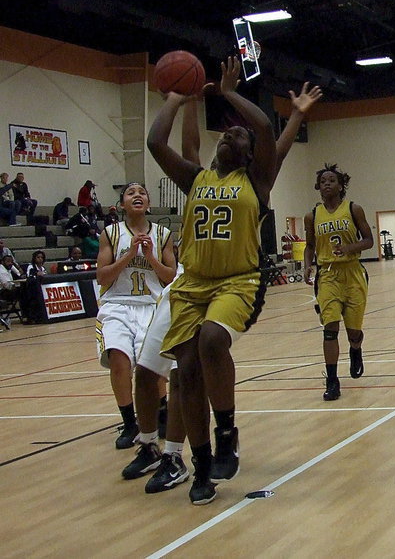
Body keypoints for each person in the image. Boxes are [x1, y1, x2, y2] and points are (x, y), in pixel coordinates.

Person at [125, 81, 322, 495]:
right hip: (191, 286)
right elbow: (155, 141)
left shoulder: (258, 180)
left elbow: (267, 130)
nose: (230, 135)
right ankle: (199, 466)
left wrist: (228, 94)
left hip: (239, 281)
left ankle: (227, 432)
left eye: (238, 135)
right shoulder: (195, 179)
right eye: (226, 133)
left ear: (250, 153)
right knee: (187, 371)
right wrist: (177, 101)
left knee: (212, 340)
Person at [96, 183, 176, 450]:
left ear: (149, 203)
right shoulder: (110, 233)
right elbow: (102, 276)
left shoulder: (163, 234)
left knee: (151, 369)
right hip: (116, 305)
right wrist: (130, 254)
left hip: (151, 306)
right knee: (119, 361)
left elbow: (170, 277)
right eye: (131, 193)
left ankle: (161, 414)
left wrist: (150, 256)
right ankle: (129, 422)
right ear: (122, 205)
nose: (137, 195)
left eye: (142, 192)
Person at [303, 164, 373, 401]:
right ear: (318, 187)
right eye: (323, 181)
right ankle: (332, 381)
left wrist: (349, 248)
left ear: (341, 185)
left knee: (354, 331)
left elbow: (369, 240)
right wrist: (307, 264)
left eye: (332, 180)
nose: (327, 184)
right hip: (328, 274)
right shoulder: (312, 215)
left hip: (352, 273)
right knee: (330, 328)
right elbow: (310, 245)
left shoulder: (354, 209)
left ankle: (356, 349)